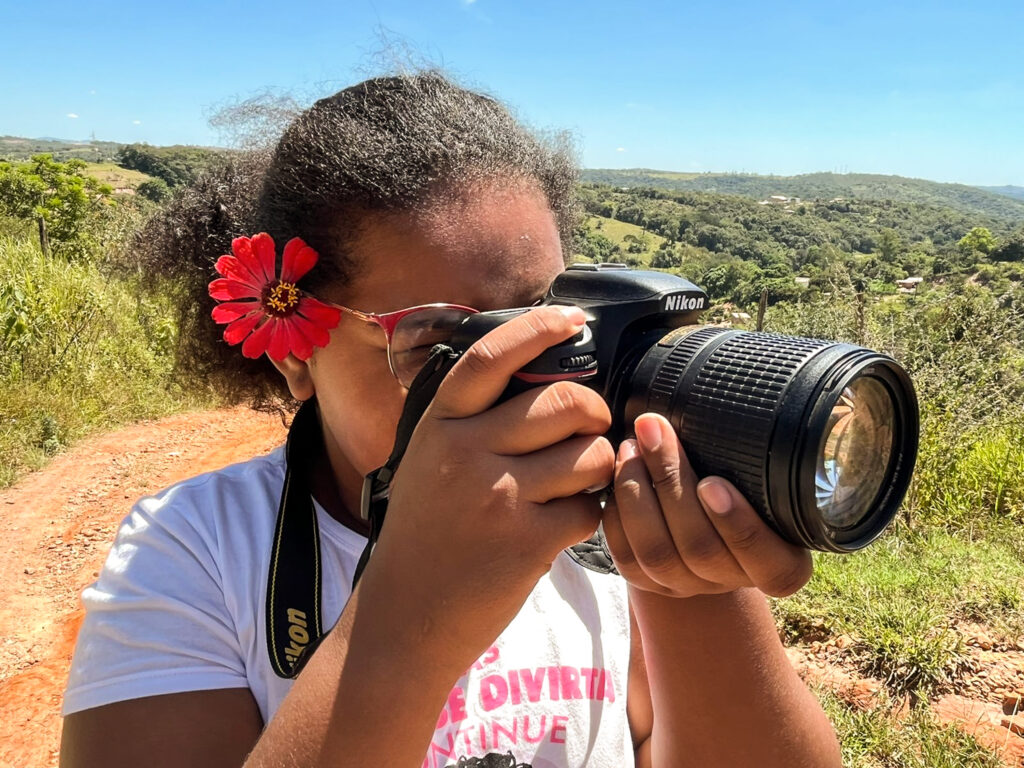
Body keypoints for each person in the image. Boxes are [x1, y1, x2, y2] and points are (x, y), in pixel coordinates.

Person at [60, 72, 842, 768]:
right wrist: (407, 621)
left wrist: (689, 583)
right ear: (296, 355)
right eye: (442, 344)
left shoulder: (603, 542)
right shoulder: (194, 551)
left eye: (549, 329)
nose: (519, 385)